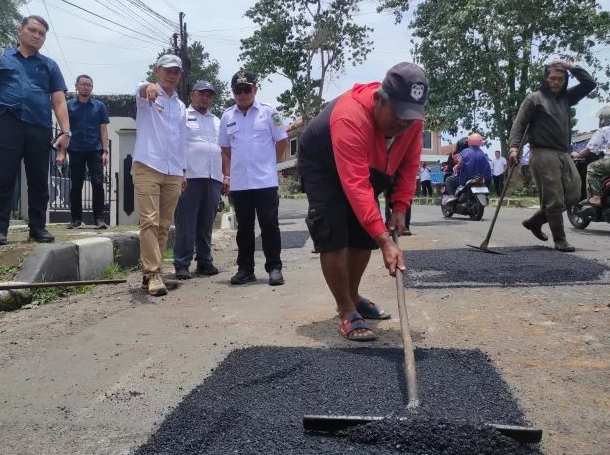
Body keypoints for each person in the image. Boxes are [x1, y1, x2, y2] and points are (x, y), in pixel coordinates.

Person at [298, 62, 426, 342]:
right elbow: (356, 186)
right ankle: (345, 309)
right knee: (333, 231)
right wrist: (385, 241)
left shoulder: (412, 122)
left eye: (410, 117)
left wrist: (400, 208)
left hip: (372, 162)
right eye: (398, 115)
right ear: (379, 100)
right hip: (323, 163)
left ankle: (353, 296)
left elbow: (409, 164)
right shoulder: (350, 117)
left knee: (362, 233)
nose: (403, 124)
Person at [0, 15, 69, 246]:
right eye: (32, 30)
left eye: (42, 34)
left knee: (39, 180)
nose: (37, 36)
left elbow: (59, 101)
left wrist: (66, 132)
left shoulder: (49, 65)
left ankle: (38, 228)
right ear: (19, 30)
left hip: (39, 127)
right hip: (7, 123)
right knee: (3, 177)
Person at [508, 60, 596, 252]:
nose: (556, 82)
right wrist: (514, 148)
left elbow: (590, 83)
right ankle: (560, 240)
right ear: (545, 79)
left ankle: (535, 221)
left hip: (563, 152)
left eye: (561, 79)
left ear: (565, 80)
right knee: (554, 199)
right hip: (542, 153)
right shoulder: (534, 98)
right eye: (552, 78)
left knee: (574, 193)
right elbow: (519, 124)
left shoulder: (566, 98)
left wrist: (570, 66)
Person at [218, 70, 288, 286]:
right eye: (238, 90)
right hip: (240, 183)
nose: (243, 94)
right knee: (244, 229)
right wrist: (232, 172)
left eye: (246, 89)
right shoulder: (227, 116)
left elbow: (282, 141)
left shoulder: (268, 113)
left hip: (265, 181)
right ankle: (245, 269)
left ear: (255, 89)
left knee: (269, 225)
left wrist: (268, 164)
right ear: (233, 93)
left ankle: (274, 268)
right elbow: (226, 148)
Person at [133, 54, 187, 296]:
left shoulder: (181, 106)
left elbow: (181, 141)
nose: (172, 74)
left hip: (173, 170)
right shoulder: (147, 95)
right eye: (167, 70)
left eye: (176, 71)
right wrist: (149, 87)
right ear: (157, 71)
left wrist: (183, 171)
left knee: (165, 224)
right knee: (149, 221)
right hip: (148, 165)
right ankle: (152, 272)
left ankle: (154, 275)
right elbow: (143, 88)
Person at [173, 81, 223, 280]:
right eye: (202, 94)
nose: (205, 98)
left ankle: (204, 261)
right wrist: (180, 172)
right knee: (186, 222)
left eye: (209, 95)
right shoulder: (182, 116)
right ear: (193, 95)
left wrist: (225, 176)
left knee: (206, 222)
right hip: (190, 177)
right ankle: (182, 263)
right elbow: (175, 145)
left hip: (213, 178)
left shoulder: (218, 121)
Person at [65, 74, 110, 229]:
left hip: (95, 150)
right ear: (76, 86)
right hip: (75, 149)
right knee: (76, 185)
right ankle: (76, 219)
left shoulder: (99, 106)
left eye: (89, 85)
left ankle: (99, 219)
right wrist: (62, 151)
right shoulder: (69, 105)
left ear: (92, 87)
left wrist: (105, 151)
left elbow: (103, 129)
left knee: (98, 184)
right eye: (83, 84)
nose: (86, 87)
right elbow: (65, 129)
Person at [443, 133, 492, 200]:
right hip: (483, 178)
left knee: (448, 180)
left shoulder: (464, 152)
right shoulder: (483, 153)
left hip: (467, 177)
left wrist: (457, 167)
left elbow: (459, 165)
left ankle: (452, 198)